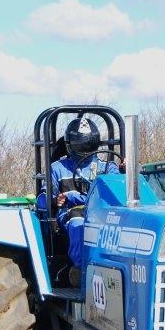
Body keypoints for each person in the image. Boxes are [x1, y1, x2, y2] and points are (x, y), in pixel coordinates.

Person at [48, 117, 120, 285]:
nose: (85, 151)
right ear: (70, 145)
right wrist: (55, 200)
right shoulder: (57, 168)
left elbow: (117, 189)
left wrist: (126, 171)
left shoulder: (107, 167)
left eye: (89, 146)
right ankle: (81, 270)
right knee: (78, 222)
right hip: (71, 213)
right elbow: (43, 197)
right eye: (81, 147)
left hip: (101, 212)